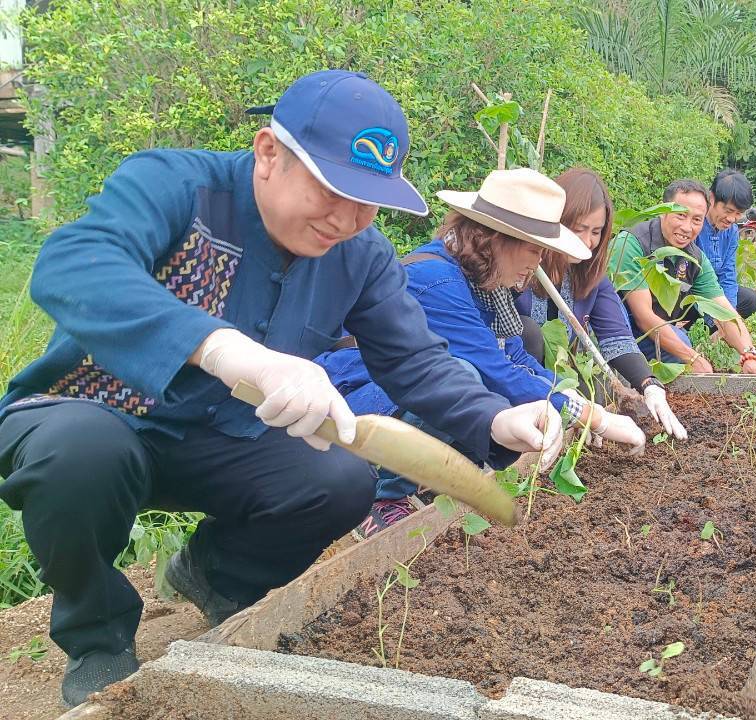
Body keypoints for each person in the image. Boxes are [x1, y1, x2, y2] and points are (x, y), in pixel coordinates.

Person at [0, 70, 562, 706]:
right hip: (97, 412)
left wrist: (495, 417)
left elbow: (415, 360)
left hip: (223, 438)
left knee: (341, 480)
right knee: (78, 454)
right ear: (269, 152)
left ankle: (217, 578)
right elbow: (74, 266)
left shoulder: (361, 254)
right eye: (331, 191)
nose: (348, 219)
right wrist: (226, 350)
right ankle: (97, 638)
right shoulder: (178, 188)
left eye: (369, 201)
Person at [320, 168, 646, 536]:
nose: (537, 262)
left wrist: (576, 402)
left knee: (483, 383)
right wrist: (594, 418)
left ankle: (430, 483)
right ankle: (381, 497)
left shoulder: (484, 281)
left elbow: (516, 359)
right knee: (466, 375)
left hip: (389, 396)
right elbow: (496, 372)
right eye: (533, 249)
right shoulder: (438, 280)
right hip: (349, 401)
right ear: (496, 239)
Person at [516, 167, 688, 440]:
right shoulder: (522, 264)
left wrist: (649, 384)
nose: (587, 242)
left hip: (560, 379)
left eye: (596, 232)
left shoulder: (589, 273)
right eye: (578, 229)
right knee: (529, 332)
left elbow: (615, 336)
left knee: (595, 392)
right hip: (514, 382)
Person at [609, 179, 756, 375]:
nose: (687, 227)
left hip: (657, 327)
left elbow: (722, 309)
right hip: (619, 331)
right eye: (681, 215)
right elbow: (643, 317)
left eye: (697, 220)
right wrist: (692, 357)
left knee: (681, 343)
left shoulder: (694, 257)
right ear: (663, 210)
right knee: (680, 347)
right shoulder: (632, 243)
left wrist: (749, 354)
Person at [695, 169, 756, 321]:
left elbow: (728, 274)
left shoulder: (732, 232)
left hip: (714, 294)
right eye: (728, 210)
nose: (732, 219)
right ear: (712, 198)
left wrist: (729, 315)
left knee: (750, 299)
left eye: (738, 213)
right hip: (692, 292)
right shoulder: (694, 224)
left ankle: (713, 328)